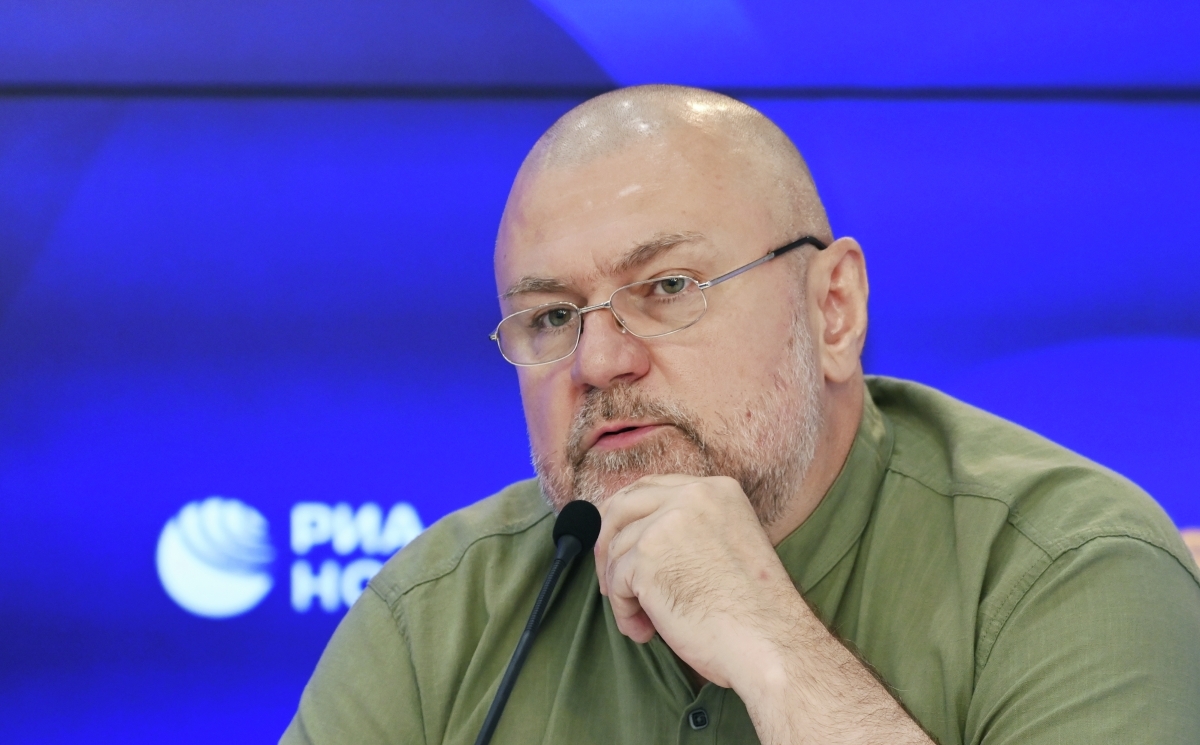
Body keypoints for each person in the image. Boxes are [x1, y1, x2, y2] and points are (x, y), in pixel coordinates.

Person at [281, 85, 1200, 744]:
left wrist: (773, 646)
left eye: (668, 287)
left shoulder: (1069, 568)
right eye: (552, 317)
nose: (599, 360)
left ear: (833, 309)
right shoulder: (436, 616)